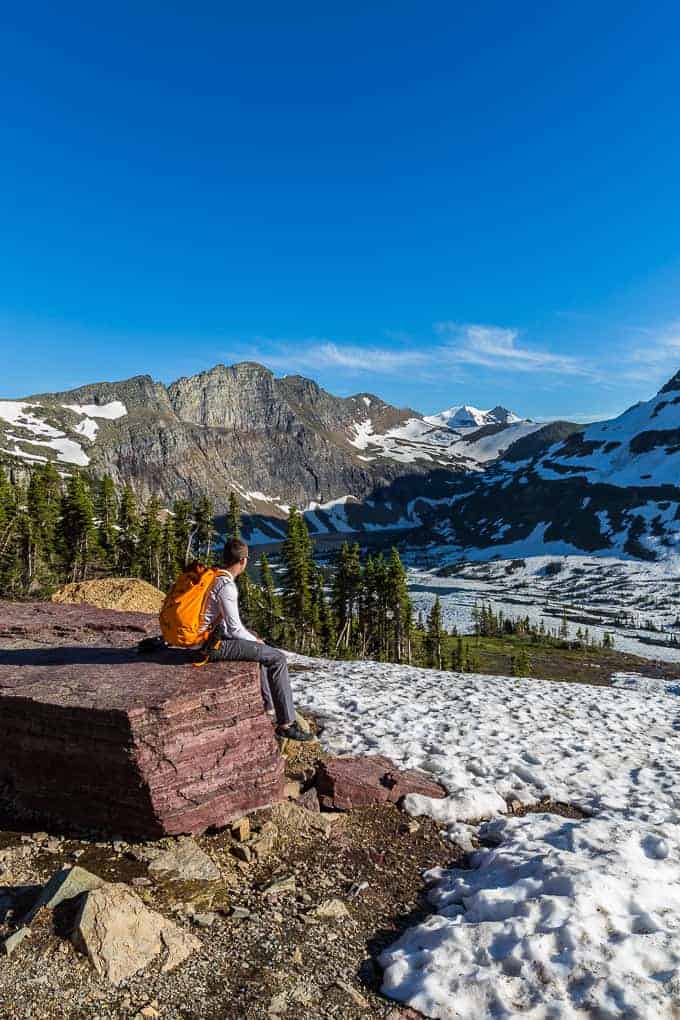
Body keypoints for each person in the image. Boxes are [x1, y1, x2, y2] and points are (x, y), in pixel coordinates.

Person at [198, 537, 314, 743]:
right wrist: (256, 642)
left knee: (256, 649)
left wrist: (252, 640)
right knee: (277, 658)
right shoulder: (226, 586)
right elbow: (234, 630)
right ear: (243, 561)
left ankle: (268, 707)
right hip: (209, 646)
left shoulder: (212, 577)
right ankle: (286, 723)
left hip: (201, 638)